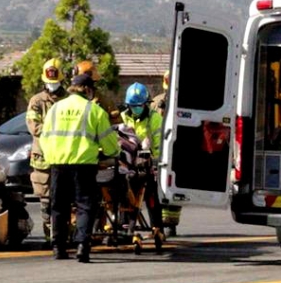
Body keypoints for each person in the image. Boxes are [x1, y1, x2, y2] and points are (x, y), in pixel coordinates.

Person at [40, 63, 120, 263]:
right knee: (85, 205)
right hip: (84, 165)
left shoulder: (55, 109)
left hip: (58, 164)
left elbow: (44, 138)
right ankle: (82, 246)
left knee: (59, 206)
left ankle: (58, 247)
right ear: (88, 90)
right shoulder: (94, 110)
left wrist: (52, 158)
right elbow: (109, 142)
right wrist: (112, 153)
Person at [26, 58, 68, 247]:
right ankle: (49, 236)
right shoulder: (36, 101)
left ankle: (65, 235)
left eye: (55, 82)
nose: (53, 85)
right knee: (46, 200)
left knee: (65, 199)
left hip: (65, 156)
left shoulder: (69, 100)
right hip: (43, 157)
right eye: (50, 82)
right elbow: (34, 127)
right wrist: (58, 130)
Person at [120, 82, 164, 236]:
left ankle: (157, 227)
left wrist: (155, 161)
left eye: (139, 105)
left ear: (146, 104)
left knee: (151, 194)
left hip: (148, 161)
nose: (136, 109)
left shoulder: (155, 118)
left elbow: (159, 142)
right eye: (133, 106)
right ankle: (124, 225)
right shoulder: (124, 116)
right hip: (128, 161)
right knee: (124, 190)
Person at [151, 69, 182, 234]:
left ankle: (168, 223)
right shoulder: (157, 102)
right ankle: (167, 224)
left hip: (168, 148)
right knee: (165, 184)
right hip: (166, 148)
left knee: (169, 184)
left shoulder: (157, 101)